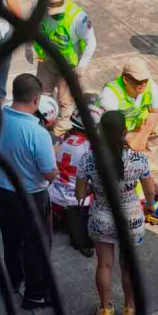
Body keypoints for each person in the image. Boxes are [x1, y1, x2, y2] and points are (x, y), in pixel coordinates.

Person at [0, 74, 58, 310]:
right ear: (36, 100)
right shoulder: (38, 134)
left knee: (11, 238)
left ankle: (13, 280)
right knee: (36, 245)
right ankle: (35, 294)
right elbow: (49, 174)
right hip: (30, 196)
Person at [76, 111, 155, 315]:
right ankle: (129, 311)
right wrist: (150, 205)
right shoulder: (138, 159)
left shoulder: (89, 159)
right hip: (130, 218)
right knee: (127, 266)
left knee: (104, 265)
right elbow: (149, 189)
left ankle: (104, 312)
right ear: (124, 131)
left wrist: (93, 187)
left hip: (101, 217)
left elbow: (80, 195)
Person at [26, 0, 97, 135]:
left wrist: (82, 65)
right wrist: (28, 46)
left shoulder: (78, 18)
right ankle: (44, 120)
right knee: (42, 91)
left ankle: (62, 126)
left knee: (65, 98)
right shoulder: (37, 7)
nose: (54, 16)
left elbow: (91, 41)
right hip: (46, 59)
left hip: (68, 64)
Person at [49, 104, 102, 257]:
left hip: (54, 195)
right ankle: (81, 237)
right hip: (78, 202)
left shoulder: (63, 140)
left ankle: (57, 219)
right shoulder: (91, 149)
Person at [97, 57, 158, 152]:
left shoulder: (151, 87)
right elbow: (110, 128)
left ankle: (145, 154)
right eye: (138, 81)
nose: (143, 85)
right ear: (125, 79)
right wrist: (131, 143)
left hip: (139, 126)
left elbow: (155, 112)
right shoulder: (110, 94)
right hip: (119, 131)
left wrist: (143, 135)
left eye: (145, 80)